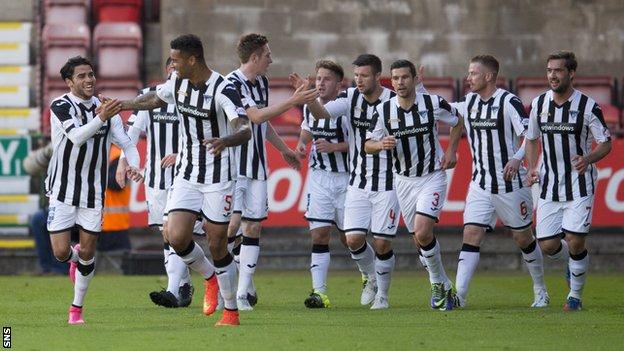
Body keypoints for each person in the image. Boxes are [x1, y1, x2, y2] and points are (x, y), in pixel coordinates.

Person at [115, 34, 252, 326]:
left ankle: (230, 312)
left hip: (219, 178)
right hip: (187, 174)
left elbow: (244, 129)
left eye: (176, 60)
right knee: (175, 236)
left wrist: (225, 140)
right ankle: (209, 277)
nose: (172, 65)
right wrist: (122, 104)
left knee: (217, 246)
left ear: (192, 59)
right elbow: (153, 98)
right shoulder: (177, 83)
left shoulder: (223, 88)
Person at [436, 55, 549, 308]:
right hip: (480, 184)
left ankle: (540, 289)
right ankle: (460, 296)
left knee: (524, 239)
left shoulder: (509, 102)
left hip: (511, 185)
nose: (468, 78)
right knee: (471, 234)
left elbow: (529, 136)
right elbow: (444, 111)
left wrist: (518, 160)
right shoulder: (469, 102)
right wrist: (419, 91)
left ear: (488, 76)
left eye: (473, 73)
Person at [296, 54, 401, 310]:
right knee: (332, 236)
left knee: (375, 241)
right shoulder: (349, 99)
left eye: (364, 75)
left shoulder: (391, 101)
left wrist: (335, 148)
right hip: (341, 179)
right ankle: (323, 291)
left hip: (377, 179)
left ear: (377, 76)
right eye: (357, 75)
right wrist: (306, 95)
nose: (360, 80)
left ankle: (380, 289)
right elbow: (317, 118)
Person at [45, 56, 142, 324]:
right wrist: (102, 117)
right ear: (69, 82)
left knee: (89, 252)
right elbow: (76, 137)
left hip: (93, 191)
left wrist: (134, 165)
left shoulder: (105, 109)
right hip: (62, 189)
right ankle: (72, 260)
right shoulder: (60, 106)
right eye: (82, 76)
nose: (89, 80)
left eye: (91, 75)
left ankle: (76, 309)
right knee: (61, 253)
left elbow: (126, 143)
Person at [365, 59, 462, 310]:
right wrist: (380, 145)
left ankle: (435, 285)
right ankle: (443, 282)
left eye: (405, 77)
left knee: (422, 231)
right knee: (419, 240)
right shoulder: (384, 111)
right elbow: (368, 144)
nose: (400, 83)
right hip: (403, 181)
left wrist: (451, 150)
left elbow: (457, 121)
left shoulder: (432, 103)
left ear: (415, 79)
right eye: (395, 78)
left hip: (432, 176)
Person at [225, 33, 308, 311]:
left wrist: (284, 149)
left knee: (253, 225)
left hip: (258, 168)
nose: (271, 59)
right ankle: (225, 278)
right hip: (234, 168)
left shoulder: (262, 81)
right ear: (255, 57)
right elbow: (256, 116)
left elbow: (264, 124)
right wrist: (294, 100)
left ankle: (243, 291)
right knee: (230, 227)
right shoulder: (230, 83)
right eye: (268, 55)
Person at [525, 51, 612, 311]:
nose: (552, 75)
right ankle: (572, 264)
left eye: (558, 70)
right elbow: (531, 138)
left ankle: (574, 297)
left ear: (571, 73)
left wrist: (589, 159)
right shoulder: (539, 104)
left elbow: (605, 143)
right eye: (549, 70)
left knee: (575, 239)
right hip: (549, 184)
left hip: (579, 184)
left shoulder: (587, 106)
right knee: (548, 244)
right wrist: (531, 167)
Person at [117, 57, 200, 308]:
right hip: (155, 177)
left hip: (187, 175)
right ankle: (183, 285)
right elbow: (130, 131)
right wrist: (124, 161)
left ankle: (174, 289)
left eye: (179, 67)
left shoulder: (194, 97)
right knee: (168, 235)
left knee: (176, 233)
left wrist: (181, 155)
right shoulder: (148, 96)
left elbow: (204, 136)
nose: (175, 71)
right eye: (171, 67)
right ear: (166, 71)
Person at [295, 60, 350, 308]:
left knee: (351, 239)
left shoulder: (348, 106)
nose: (320, 83)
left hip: (347, 178)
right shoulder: (310, 106)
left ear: (339, 84)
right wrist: (302, 144)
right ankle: (320, 292)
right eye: (318, 78)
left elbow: (362, 143)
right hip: (319, 178)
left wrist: (335, 146)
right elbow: (307, 127)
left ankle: (368, 277)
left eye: (326, 79)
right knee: (319, 233)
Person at [99, 145, 132, 252]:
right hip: (104, 223)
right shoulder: (106, 152)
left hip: (114, 224)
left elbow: (116, 183)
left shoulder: (116, 154)